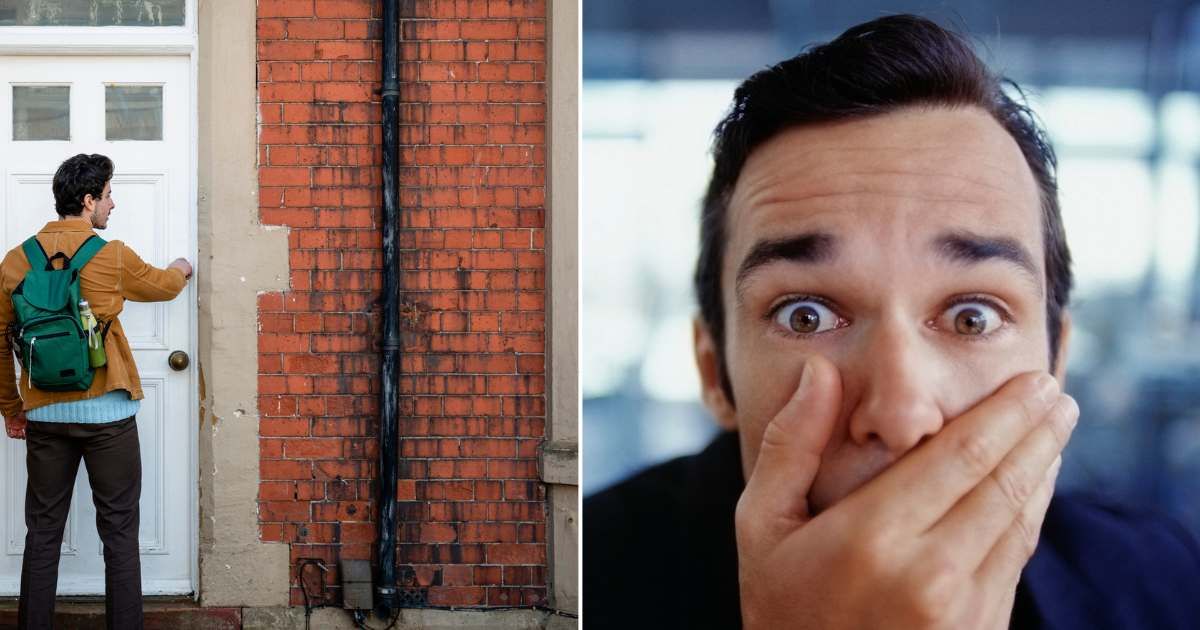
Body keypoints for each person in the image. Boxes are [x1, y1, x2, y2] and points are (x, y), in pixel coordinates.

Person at [584, 15, 1200, 629]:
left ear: (1055, 363)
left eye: (972, 317)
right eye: (806, 316)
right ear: (715, 373)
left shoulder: (1160, 581)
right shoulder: (577, 585)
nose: (903, 418)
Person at [0, 153, 193, 630]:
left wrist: (12, 407)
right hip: (108, 418)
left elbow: (0, 343)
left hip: (44, 413)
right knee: (120, 532)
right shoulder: (112, 255)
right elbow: (162, 286)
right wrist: (182, 268)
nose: (112, 203)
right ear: (88, 201)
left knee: (42, 533)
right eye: (107, 195)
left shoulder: (15, 259)